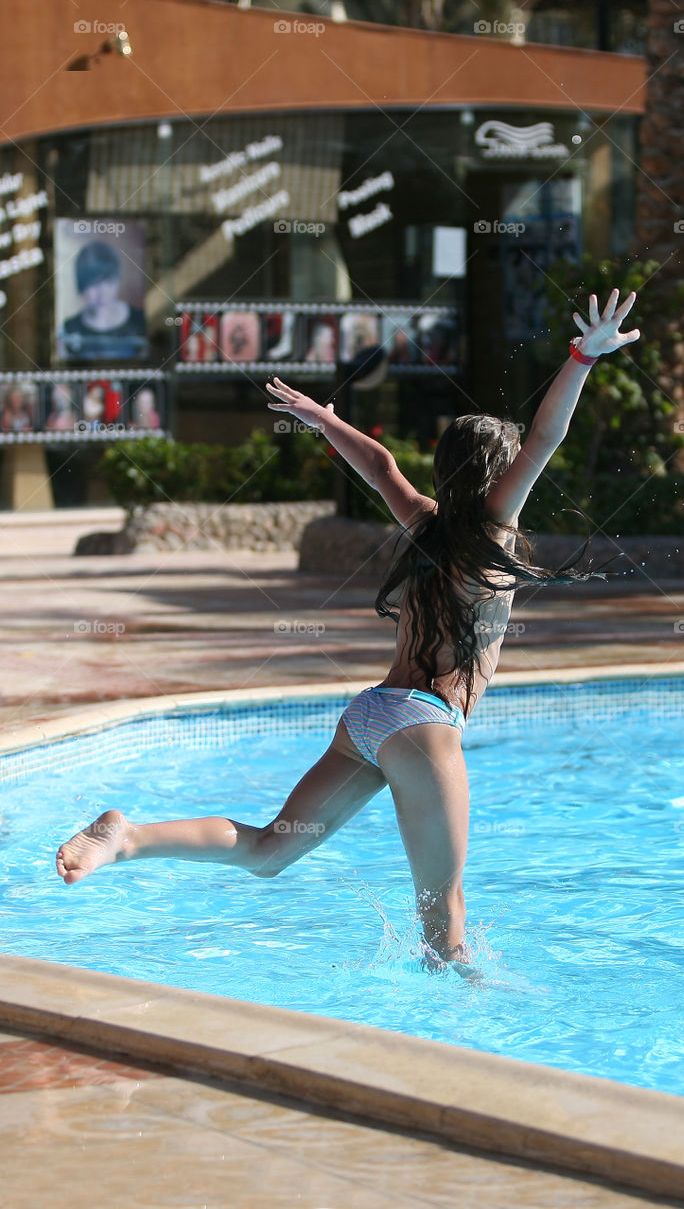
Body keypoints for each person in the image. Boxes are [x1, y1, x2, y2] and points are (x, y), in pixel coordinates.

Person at [56, 290, 640, 968]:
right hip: (423, 725)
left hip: (372, 716)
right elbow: (546, 437)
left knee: (272, 850)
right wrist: (579, 359)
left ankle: (128, 837)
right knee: (444, 922)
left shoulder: (425, 521)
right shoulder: (492, 528)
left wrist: (319, 418)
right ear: (498, 476)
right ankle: (468, 1043)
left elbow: (381, 466)